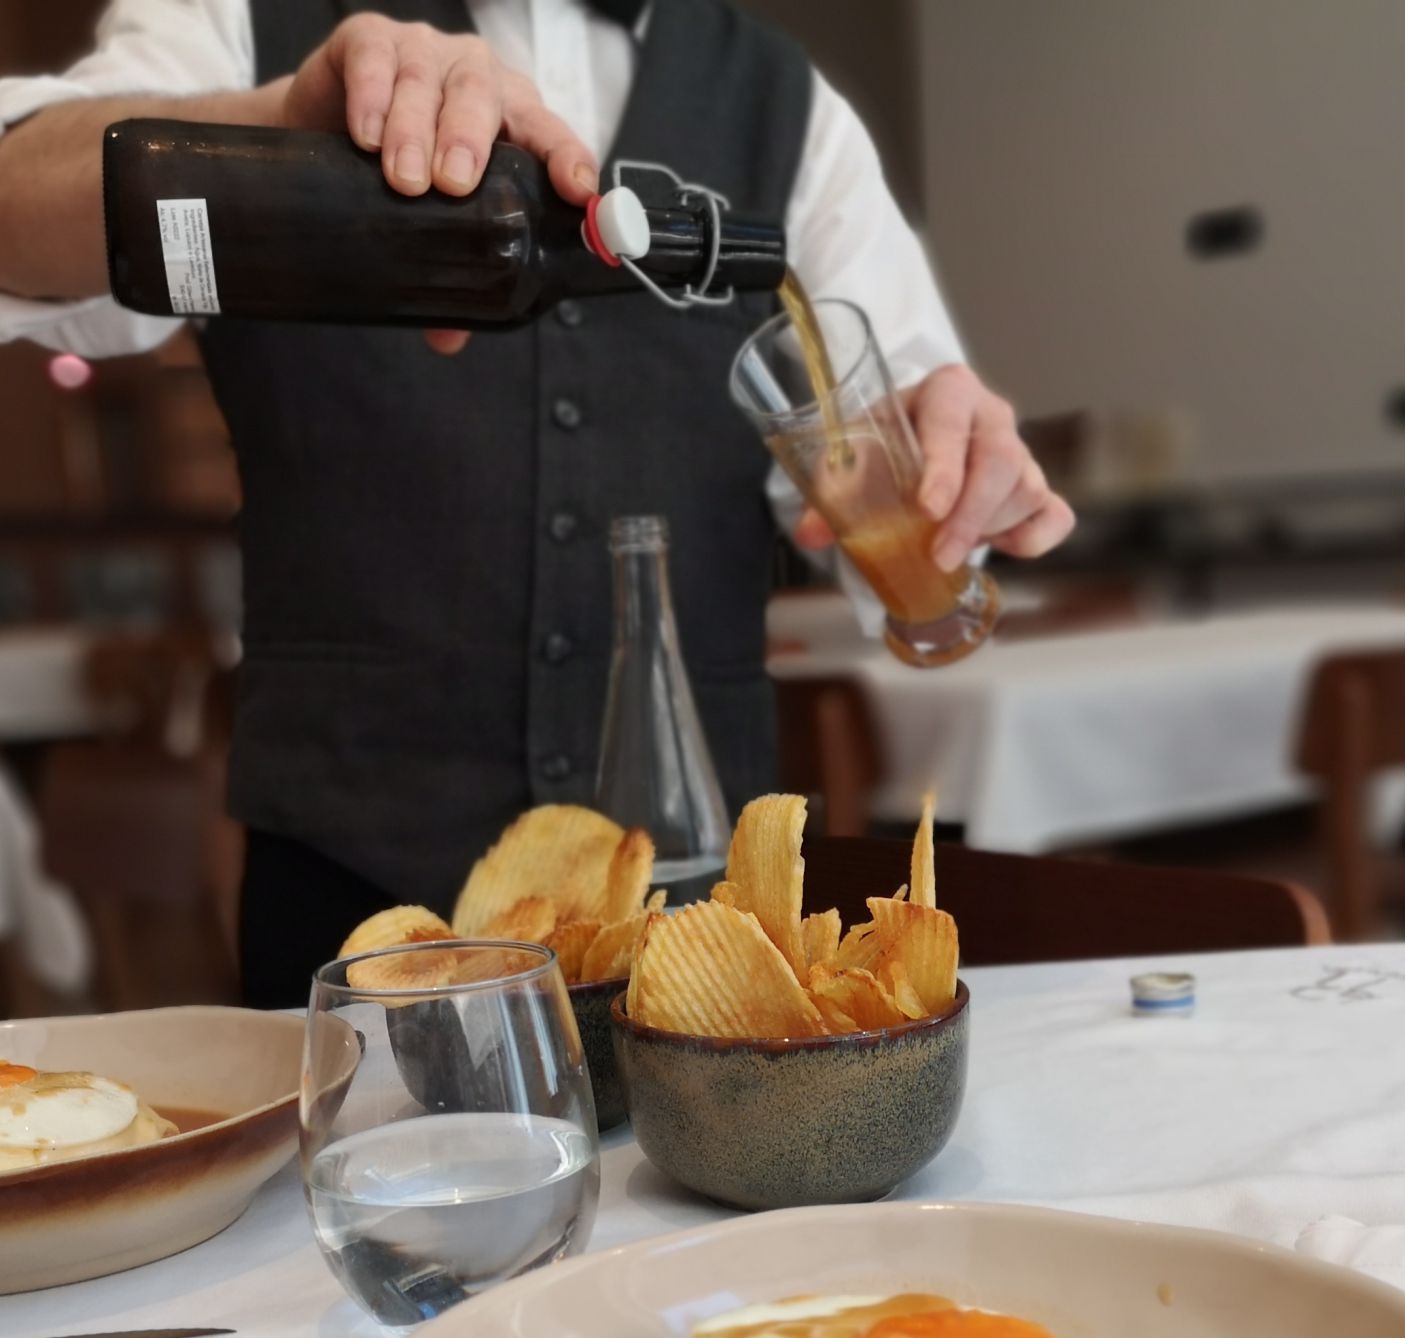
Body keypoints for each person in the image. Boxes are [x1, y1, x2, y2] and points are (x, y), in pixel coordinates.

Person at [0, 0, 1075, 1007]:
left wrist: (952, 479)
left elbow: (900, 478)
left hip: (707, 926)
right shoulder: (244, 15)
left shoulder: (785, 106)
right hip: (353, 903)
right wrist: (270, 123)